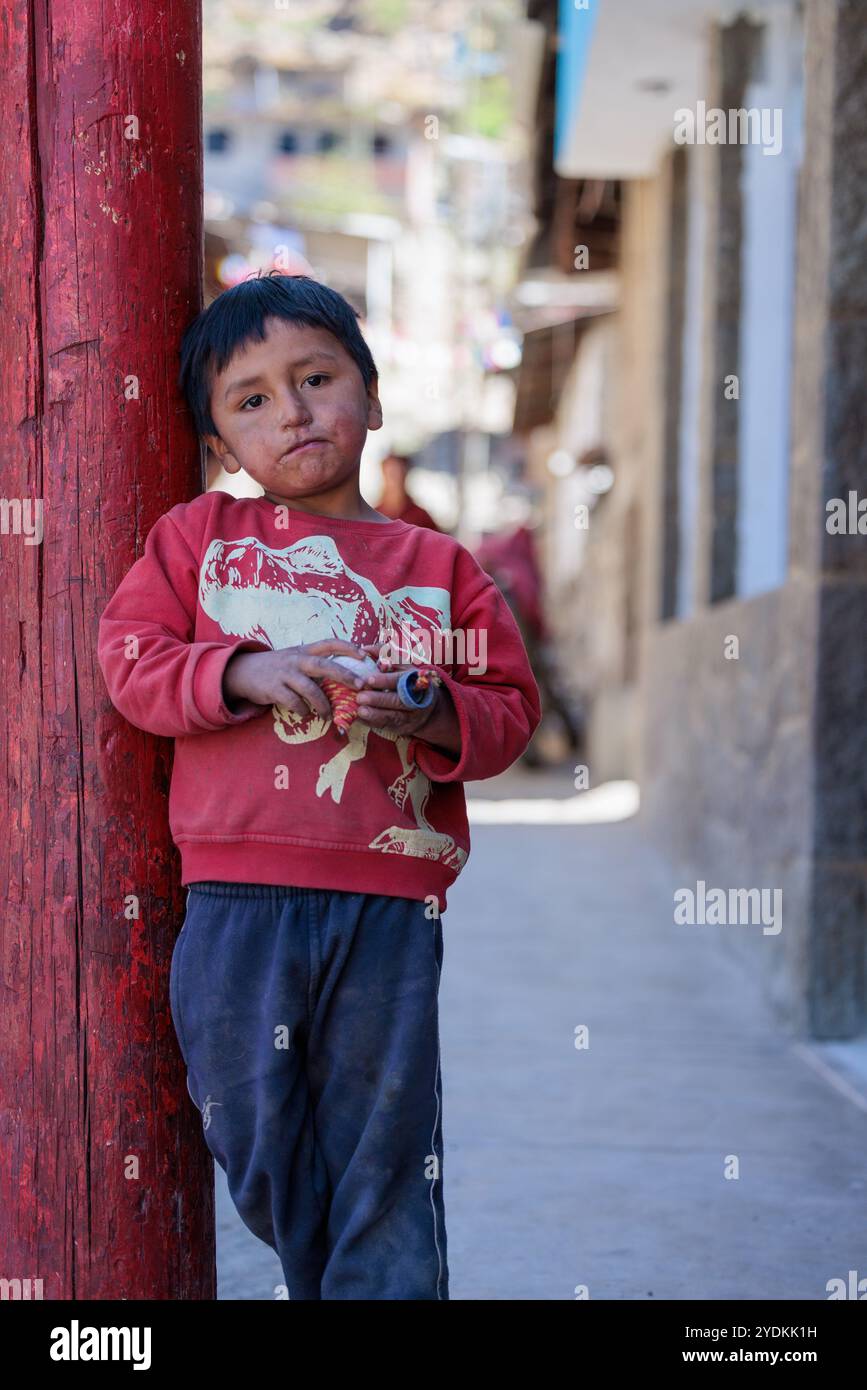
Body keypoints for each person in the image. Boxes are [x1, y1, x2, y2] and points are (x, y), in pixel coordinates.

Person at [97, 271, 541, 1301]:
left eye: (316, 378)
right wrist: (237, 669)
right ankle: (335, 1280)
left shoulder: (439, 565)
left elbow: (507, 708)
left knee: (383, 1153)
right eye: (251, 400)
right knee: (249, 1130)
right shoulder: (201, 542)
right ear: (218, 444)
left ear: (372, 398)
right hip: (234, 903)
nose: (291, 411)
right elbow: (130, 659)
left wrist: (431, 713)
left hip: (387, 906)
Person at [375, 451, 442, 530]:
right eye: (390, 474)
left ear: (405, 475)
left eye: (398, 473)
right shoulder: (374, 516)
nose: (394, 480)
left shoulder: (420, 516)